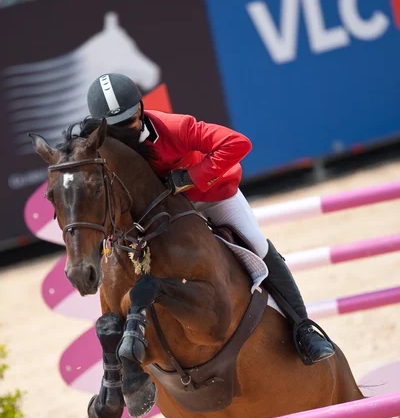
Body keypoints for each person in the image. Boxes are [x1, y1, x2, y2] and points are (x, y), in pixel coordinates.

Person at [86, 73, 335, 365]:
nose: (124, 134)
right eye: (114, 130)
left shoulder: (175, 127)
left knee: (257, 245)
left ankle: (304, 329)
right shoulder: (101, 148)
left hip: (211, 197)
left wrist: (189, 177)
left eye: (128, 122)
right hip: (161, 214)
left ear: (140, 109)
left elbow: (237, 143)